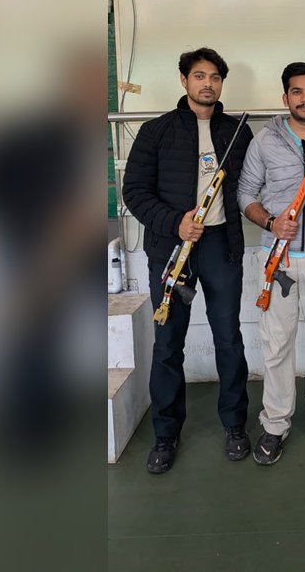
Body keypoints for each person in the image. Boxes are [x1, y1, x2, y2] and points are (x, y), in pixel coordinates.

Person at [122, 47, 254, 473]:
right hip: (170, 248)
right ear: (184, 80)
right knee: (167, 345)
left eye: (215, 77)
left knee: (228, 339)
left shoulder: (238, 132)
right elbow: (135, 193)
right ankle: (165, 434)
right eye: (200, 76)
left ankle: (235, 425)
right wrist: (174, 222)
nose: (208, 84)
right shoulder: (156, 131)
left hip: (221, 246)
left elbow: (254, 185)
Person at [238, 62, 305, 465]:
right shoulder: (264, 141)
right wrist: (270, 221)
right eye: (297, 92)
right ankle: (275, 423)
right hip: (276, 259)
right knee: (277, 343)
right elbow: (244, 193)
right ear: (285, 98)